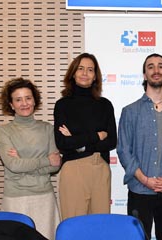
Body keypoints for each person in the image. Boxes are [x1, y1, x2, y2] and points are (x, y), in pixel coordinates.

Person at [117, 53, 162, 240]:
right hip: (140, 190)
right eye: (151, 67)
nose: (156, 70)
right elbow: (123, 150)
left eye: (161, 66)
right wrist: (144, 179)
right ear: (144, 75)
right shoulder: (130, 112)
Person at [53, 53, 117, 219]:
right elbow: (62, 142)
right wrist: (97, 136)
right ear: (73, 73)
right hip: (73, 169)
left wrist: (79, 142)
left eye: (90, 70)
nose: (84, 73)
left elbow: (111, 141)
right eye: (80, 68)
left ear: (95, 76)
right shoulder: (62, 105)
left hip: (100, 167)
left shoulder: (105, 105)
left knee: (100, 227)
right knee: (74, 227)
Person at [0, 77, 61, 239]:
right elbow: (13, 165)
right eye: (18, 100)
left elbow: (56, 165)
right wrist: (45, 160)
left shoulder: (47, 129)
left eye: (28, 98)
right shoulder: (4, 131)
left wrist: (23, 161)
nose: (24, 103)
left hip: (44, 197)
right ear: (11, 104)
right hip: (16, 198)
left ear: (34, 100)